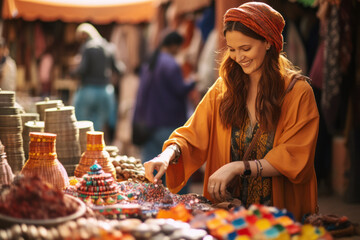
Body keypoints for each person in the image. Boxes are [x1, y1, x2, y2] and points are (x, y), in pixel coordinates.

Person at [144, 2, 319, 221]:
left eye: (246, 49)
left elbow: (295, 154)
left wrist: (239, 167)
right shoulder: (224, 88)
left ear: (268, 42)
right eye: (233, 49)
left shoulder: (298, 92)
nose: (239, 57)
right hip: (229, 215)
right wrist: (166, 156)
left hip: (281, 213)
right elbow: (191, 134)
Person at [133, 31, 196, 193]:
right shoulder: (170, 64)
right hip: (168, 122)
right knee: (175, 170)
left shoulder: (152, 61)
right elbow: (179, 89)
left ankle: (151, 205)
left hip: (149, 123)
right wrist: (194, 81)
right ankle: (178, 208)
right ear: (175, 46)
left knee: (151, 171)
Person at [72, 23, 124, 132]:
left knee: (82, 124)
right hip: (105, 91)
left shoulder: (87, 47)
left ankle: (85, 146)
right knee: (98, 126)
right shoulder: (109, 47)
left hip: (88, 90)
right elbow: (118, 69)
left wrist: (72, 72)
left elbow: (83, 69)